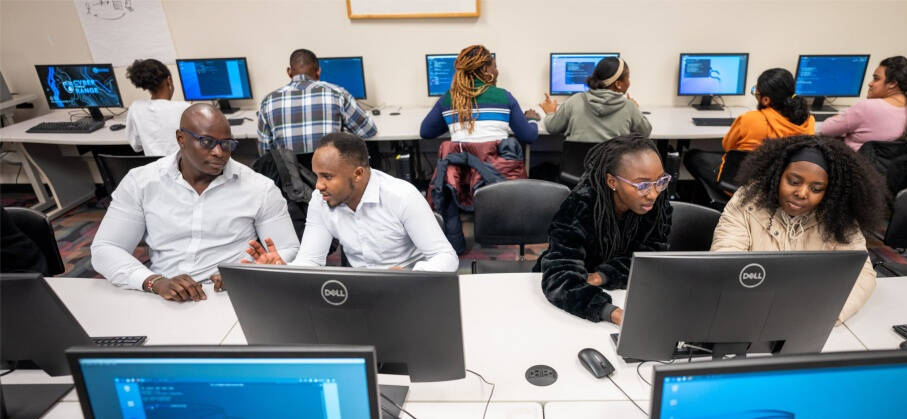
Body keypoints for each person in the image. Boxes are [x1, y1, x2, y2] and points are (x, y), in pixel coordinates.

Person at [92, 104, 299, 302]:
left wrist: (249, 272)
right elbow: (106, 248)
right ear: (181, 138)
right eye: (207, 142)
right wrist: (154, 282)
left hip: (229, 295)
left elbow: (288, 248)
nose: (219, 152)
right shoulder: (141, 182)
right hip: (163, 294)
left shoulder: (259, 188)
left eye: (226, 144)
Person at [711, 135, 887, 323]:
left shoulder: (837, 216)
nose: (802, 193)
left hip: (808, 317)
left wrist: (829, 315)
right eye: (794, 181)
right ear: (777, 175)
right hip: (750, 314)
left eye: (816, 188)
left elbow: (862, 275)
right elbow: (726, 260)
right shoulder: (747, 201)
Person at [245, 132, 458, 272]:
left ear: (357, 174)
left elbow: (446, 257)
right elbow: (310, 261)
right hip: (359, 292)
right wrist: (285, 269)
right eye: (316, 175)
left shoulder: (401, 196)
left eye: (327, 177)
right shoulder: (321, 200)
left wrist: (410, 274)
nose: (318, 186)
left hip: (410, 288)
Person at [535, 135, 672, 325]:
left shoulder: (656, 204)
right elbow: (559, 278)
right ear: (612, 182)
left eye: (660, 181)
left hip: (623, 292)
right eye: (642, 185)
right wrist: (611, 312)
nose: (653, 193)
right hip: (572, 304)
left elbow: (651, 257)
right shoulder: (579, 206)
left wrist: (603, 275)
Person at [419, 45, 539, 253]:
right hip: (497, 178)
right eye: (495, 66)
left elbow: (426, 132)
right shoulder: (504, 97)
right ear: (486, 70)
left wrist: (454, 121)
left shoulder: (449, 99)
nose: (498, 70)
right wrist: (532, 120)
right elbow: (528, 136)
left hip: (459, 180)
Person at [685, 68, 813, 193]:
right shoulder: (808, 122)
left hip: (739, 185)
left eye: (756, 91)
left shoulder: (751, 119)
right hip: (775, 190)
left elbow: (728, 146)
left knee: (692, 156)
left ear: (766, 99)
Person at [257, 49, 376, 155]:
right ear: (318, 71)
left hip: (290, 178)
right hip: (332, 175)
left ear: (289, 72)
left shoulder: (268, 101)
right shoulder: (337, 93)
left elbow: (264, 151)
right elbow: (368, 130)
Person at [820, 56, 907, 151]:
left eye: (876, 79)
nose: (870, 84)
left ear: (892, 83)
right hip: (889, 173)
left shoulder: (867, 107)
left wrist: (840, 117)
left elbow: (825, 130)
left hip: (857, 170)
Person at [532, 56, 652, 142]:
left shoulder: (575, 101)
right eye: (628, 77)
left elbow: (552, 127)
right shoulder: (629, 107)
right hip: (612, 175)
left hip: (576, 174)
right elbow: (645, 133)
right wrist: (636, 110)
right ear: (618, 84)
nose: (629, 82)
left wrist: (550, 112)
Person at [124, 58, 189, 157]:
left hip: (153, 169)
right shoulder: (184, 108)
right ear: (169, 80)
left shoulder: (136, 108)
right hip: (183, 169)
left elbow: (136, 146)